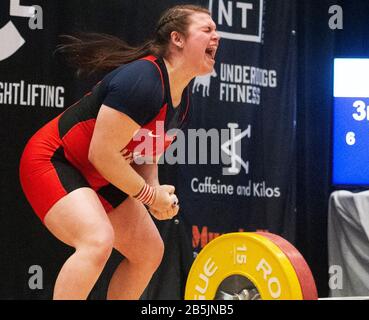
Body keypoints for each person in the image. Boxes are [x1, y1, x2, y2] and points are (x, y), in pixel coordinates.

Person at [19, 4, 220, 300]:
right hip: (54, 160)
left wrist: (153, 191)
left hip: (99, 175)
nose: (217, 37)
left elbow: (148, 152)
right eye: (208, 30)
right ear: (177, 39)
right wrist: (150, 196)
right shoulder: (143, 80)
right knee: (97, 240)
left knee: (149, 252)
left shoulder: (182, 99)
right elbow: (102, 154)